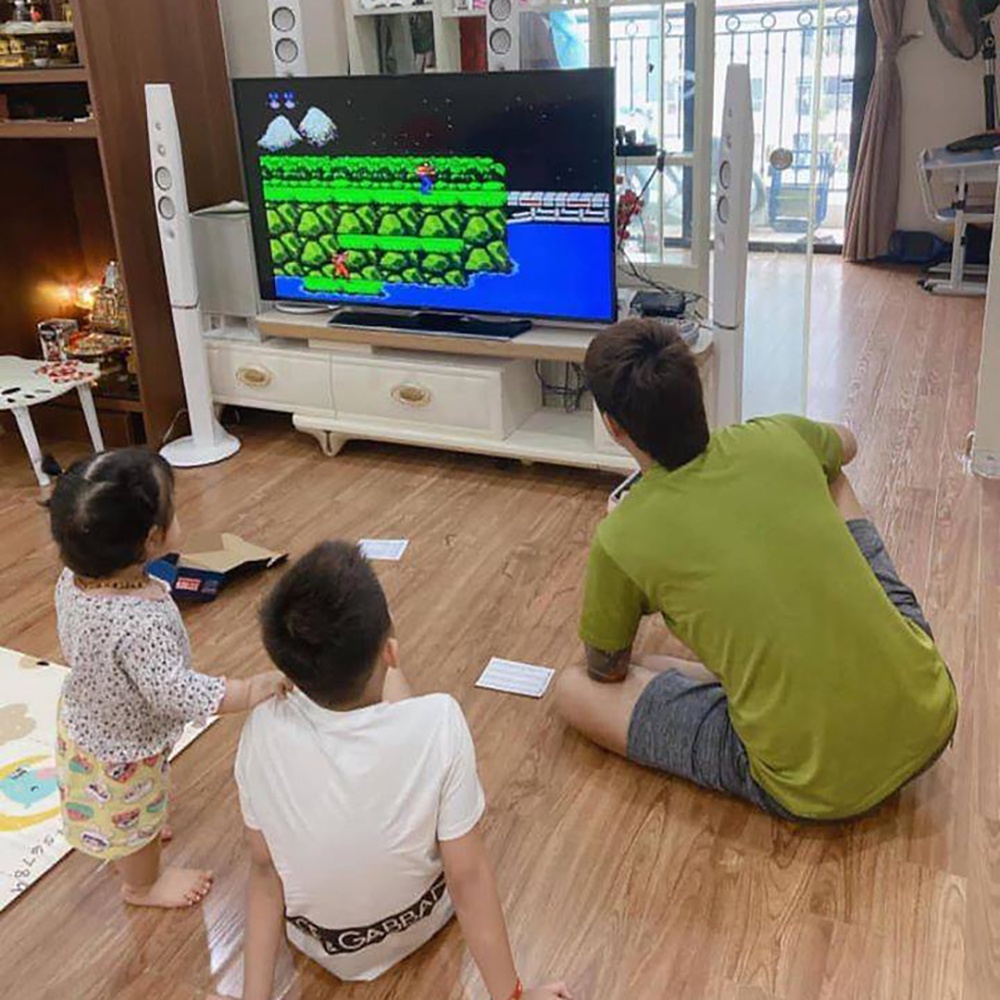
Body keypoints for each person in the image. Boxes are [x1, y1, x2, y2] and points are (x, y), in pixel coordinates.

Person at [554, 319, 958, 821]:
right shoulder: (773, 434)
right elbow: (848, 443)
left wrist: (634, 543)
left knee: (572, 687)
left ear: (614, 426)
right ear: (696, 391)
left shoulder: (620, 536)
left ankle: (761, 690)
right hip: (931, 713)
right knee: (831, 472)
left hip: (812, 786)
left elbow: (606, 669)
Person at [227, 541, 570, 1000]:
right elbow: (467, 877)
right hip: (418, 924)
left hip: (319, 943)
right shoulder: (441, 722)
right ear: (390, 650)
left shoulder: (261, 728)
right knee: (412, 720)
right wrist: (513, 996)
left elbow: (264, 870)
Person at [46, 448, 288, 908]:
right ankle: (141, 883)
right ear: (153, 539)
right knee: (134, 821)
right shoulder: (140, 623)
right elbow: (175, 692)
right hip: (123, 745)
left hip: (88, 717)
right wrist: (246, 690)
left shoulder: (75, 577)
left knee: (128, 806)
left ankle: (129, 828)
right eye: (172, 509)